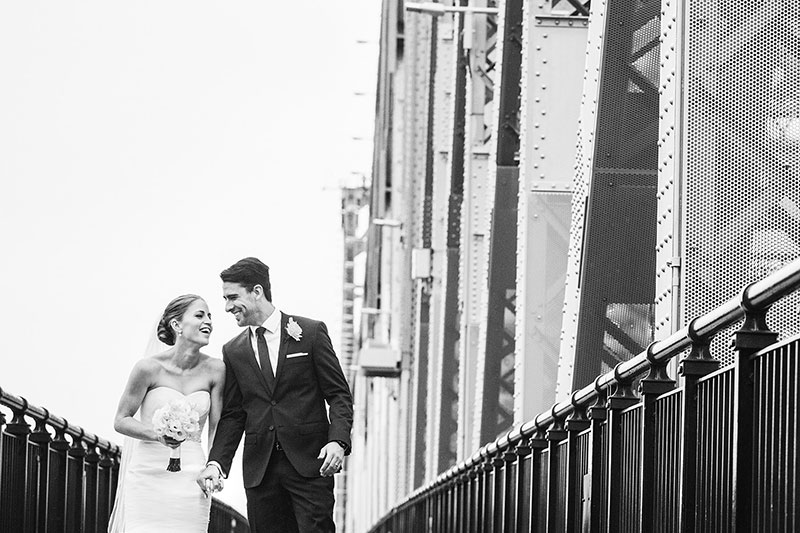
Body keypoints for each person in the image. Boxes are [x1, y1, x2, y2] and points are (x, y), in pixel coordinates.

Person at [197, 257, 354, 533]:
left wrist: (338, 442)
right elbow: (235, 415)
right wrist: (216, 463)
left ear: (257, 291)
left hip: (310, 464)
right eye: (225, 298)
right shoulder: (233, 351)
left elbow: (339, 395)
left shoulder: (311, 333)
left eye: (233, 297)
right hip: (261, 472)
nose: (227, 307)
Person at [108, 294, 226, 533]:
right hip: (148, 473)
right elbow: (121, 420)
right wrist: (157, 434)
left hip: (192, 475)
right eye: (200, 315)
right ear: (177, 325)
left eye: (210, 316)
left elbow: (217, 427)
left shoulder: (216, 369)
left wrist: (214, 466)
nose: (209, 322)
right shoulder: (147, 368)